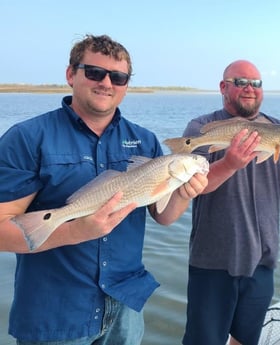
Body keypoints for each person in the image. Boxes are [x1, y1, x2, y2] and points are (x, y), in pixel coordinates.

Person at [0, 34, 208, 344]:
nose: (107, 83)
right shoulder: (27, 138)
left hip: (125, 305)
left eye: (119, 76)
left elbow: (162, 216)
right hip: (56, 313)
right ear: (71, 74)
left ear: (127, 84)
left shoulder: (145, 140)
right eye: (95, 72)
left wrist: (182, 192)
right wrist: (74, 231)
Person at [180, 59, 280, 345]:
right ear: (223, 87)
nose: (250, 89)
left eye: (256, 83)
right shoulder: (201, 128)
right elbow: (193, 188)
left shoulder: (279, 129)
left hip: (262, 259)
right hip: (213, 259)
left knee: (246, 339)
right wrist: (230, 164)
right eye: (241, 82)